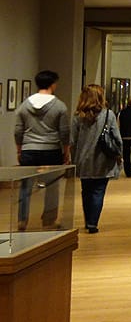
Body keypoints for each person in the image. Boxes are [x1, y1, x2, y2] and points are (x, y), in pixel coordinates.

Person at [12, 69, 71, 230]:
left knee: (25, 186)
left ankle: (22, 220)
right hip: (51, 149)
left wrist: (19, 150)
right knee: (52, 186)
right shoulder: (59, 106)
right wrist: (66, 151)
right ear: (53, 84)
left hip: (29, 150)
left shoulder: (24, 105)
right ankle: (49, 220)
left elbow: (18, 130)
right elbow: (64, 132)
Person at [69, 84, 123, 234]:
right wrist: (119, 155)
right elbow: (117, 138)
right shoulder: (108, 115)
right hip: (103, 160)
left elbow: (72, 140)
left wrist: (73, 159)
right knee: (98, 191)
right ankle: (93, 223)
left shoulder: (77, 116)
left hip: (83, 160)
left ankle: (88, 220)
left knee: (86, 191)